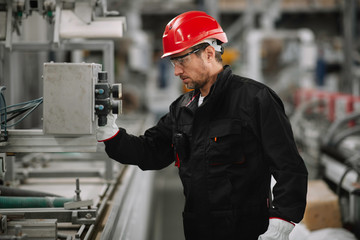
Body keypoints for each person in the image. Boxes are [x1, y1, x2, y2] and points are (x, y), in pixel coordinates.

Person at [97, 11, 308, 240]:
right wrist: (112, 134)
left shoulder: (255, 99)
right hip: (198, 230)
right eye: (173, 62)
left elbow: (289, 167)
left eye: (182, 60)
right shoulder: (183, 108)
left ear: (208, 53)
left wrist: (282, 221)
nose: (176, 71)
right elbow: (150, 151)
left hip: (248, 233)